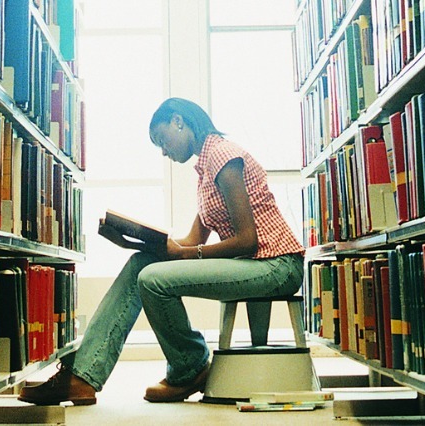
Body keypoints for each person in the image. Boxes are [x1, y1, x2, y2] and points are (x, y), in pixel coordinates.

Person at [18, 97, 305, 405]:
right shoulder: (206, 169)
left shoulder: (223, 156)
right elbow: (194, 239)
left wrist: (187, 255)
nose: (164, 151)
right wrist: (135, 241)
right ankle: (82, 376)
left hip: (276, 266)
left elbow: (247, 240)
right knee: (141, 264)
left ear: (178, 121)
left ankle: (189, 367)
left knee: (153, 279)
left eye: (162, 140)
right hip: (255, 264)